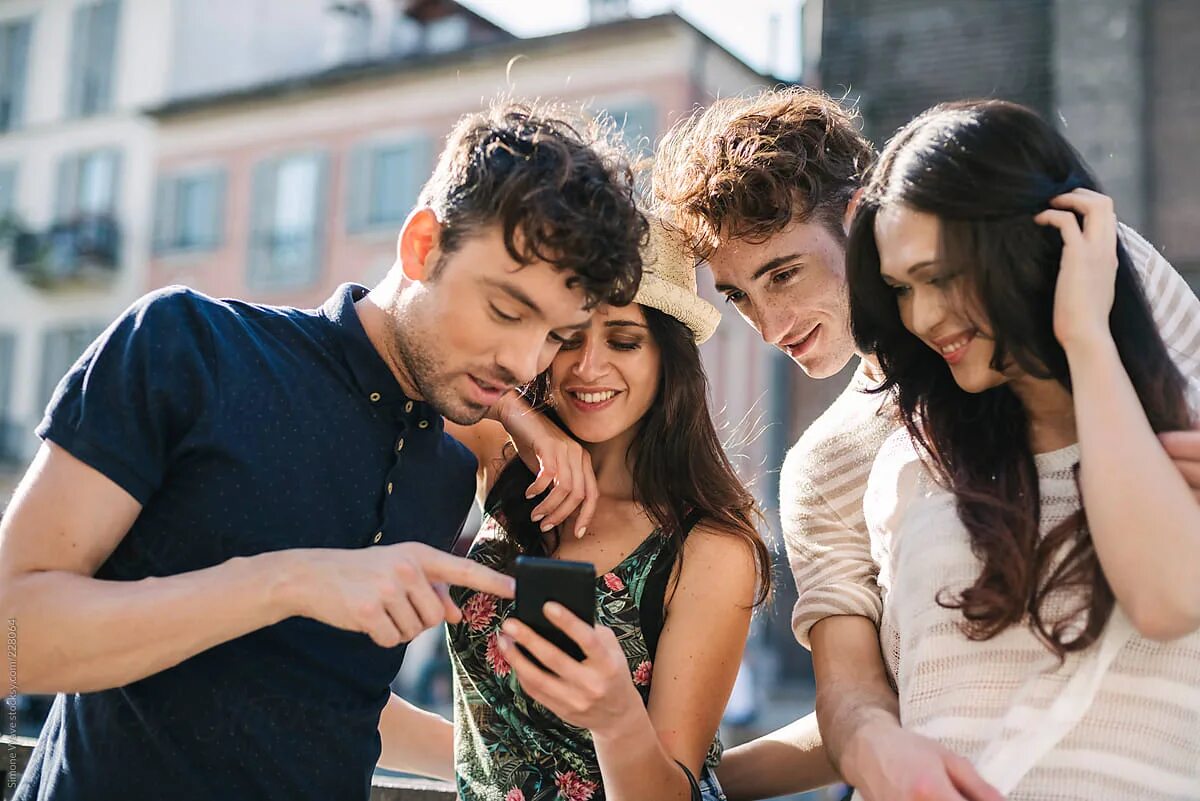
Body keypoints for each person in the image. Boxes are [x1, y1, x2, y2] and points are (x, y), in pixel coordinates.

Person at [0, 100, 645, 801]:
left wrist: (541, 768)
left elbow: (325, 698)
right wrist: (291, 581)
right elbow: (11, 637)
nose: (525, 360)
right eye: (507, 310)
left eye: (555, 335)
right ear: (422, 245)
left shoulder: (443, 472)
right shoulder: (187, 347)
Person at [652, 87, 1200, 800]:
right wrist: (666, 778)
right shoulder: (829, 464)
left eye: (784, 273)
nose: (771, 324)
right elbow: (860, 692)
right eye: (740, 297)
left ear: (859, 217)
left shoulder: (1087, 275)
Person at [847, 98, 1200, 799]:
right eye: (900, 289)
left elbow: (1163, 601)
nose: (921, 318)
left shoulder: (1179, 447)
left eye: (942, 275)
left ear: (1037, 241)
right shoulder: (911, 467)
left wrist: (1084, 334)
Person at [377, 219, 775, 801]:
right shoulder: (505, 464)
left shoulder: (710, 547)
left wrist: (615, 718)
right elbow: (398, 356)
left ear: (667, 357)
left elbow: (671, 792)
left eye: (622, 340)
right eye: (569, 337)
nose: (588, 367)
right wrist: (520, 414)